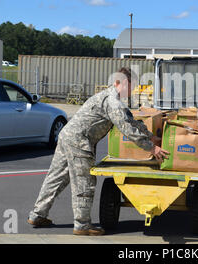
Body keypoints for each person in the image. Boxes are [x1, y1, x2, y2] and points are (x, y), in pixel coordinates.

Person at [27, 67, 169, 236]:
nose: (133, 90)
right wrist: (152, 148)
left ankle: (37, 215)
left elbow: (130, 120)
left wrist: (151, 136)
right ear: (123, 82)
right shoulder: (112, 101)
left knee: (56, 178)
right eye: (132, 86)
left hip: (67, 136)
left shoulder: (110, 98)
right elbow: (126, 129)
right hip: (79, 141)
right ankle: (82, 225)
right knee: (84, 182)